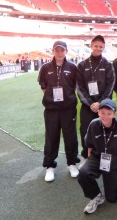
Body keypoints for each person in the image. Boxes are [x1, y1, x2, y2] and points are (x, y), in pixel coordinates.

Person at [77, 99, 117, 214]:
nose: (105, 116)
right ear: (98, 113)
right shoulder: (93, 124)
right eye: (102, 113)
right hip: (98, 157)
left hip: (116, 161)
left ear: (114, 114)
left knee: (113, 198)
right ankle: (96, 196)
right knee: (83, 172)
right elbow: (90, 146)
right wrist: (89, 164)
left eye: (109, 113)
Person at [38, 40, 79, 182]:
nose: (59, 52)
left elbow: (74, 86)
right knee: (51, 137)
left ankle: (72, 163)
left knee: (70, 136)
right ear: (53, 51)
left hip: (68, 109)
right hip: (51, 109)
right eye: (57, 50)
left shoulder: (73, 67)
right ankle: (50, 166)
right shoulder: (45, 67)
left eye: (62, 50)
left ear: (66, 51)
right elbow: (43, 85)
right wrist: (51, 97)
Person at [77, 35, 115, 161]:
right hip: (88, 106)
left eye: (101, 47)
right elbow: (79, 86)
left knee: (105, 132)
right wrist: (90, 103)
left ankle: (103, 158)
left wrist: (100, 103)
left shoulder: (108, 65)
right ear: (91, 46)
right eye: (96, 46)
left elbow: (110, 85)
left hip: (103, 107)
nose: (98, 48)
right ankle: (86, 158)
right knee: (85, 131)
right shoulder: (82, 65)